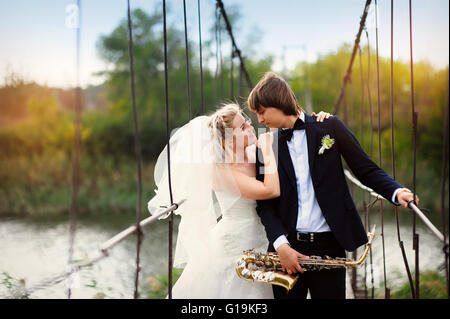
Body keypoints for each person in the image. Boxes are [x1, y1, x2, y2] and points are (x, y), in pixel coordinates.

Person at [247, 72, 419, 299]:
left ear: (277, 102)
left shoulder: (329, 127)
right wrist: (281, 245)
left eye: (261, 112)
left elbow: (365, 169)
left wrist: (397, 192)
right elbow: (264, 205)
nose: (259, 120)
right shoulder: (265, 144)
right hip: (286, 250)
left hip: (330, 248)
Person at [147, 102, 331, 299]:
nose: (251, 127)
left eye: (247, 123)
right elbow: (270, 190)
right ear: (227, 139)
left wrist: (317, 122)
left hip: (268, 240)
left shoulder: (254, 154)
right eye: (243, 127)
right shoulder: (221, 171)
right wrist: (269, 153)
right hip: (235, 245)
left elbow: (293, 139)